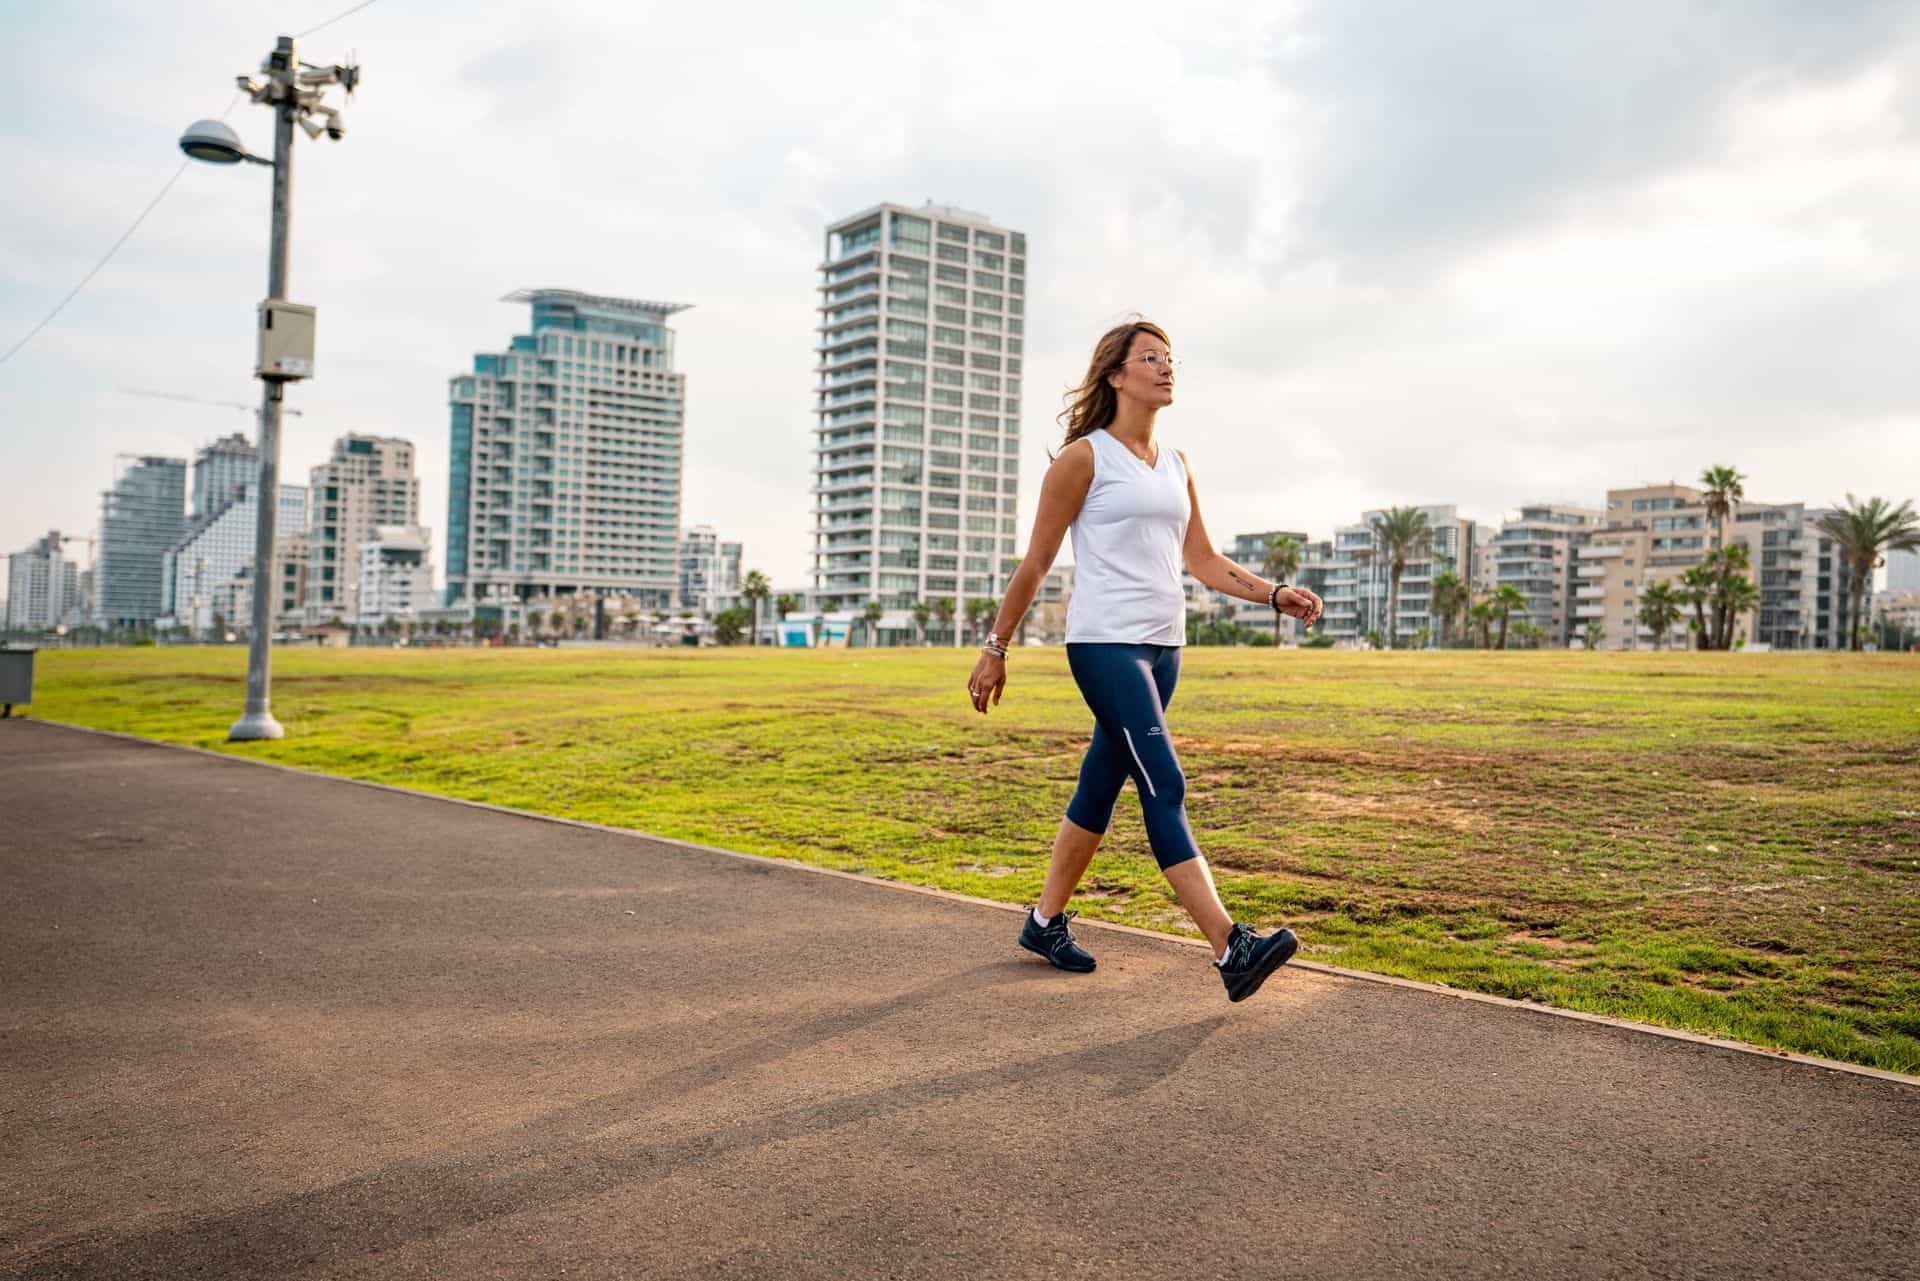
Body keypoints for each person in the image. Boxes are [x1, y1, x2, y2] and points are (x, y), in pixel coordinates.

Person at [967, 320, 1324, 1002]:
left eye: (1170, 359)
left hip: (1165, 650)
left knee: (1100, 786)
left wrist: (1273, 593)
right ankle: (1229, 947)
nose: (1166, 368)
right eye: (1150, 358)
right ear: (1116, 376)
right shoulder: (1083, 459)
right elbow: (1038, 561)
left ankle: (1044, 922)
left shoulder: (1176, 463)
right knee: (1165, 784)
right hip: (1105, 646)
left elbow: (1204, 560)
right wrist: (996, 647)